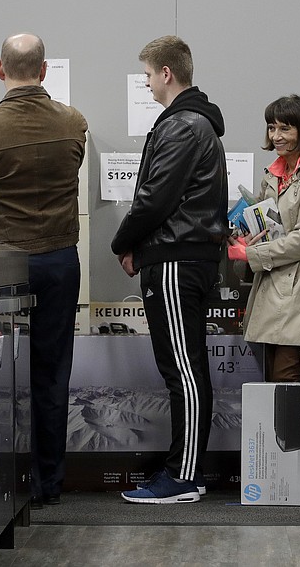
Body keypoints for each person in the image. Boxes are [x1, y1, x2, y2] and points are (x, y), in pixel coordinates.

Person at [0, 33, 87, 509]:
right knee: (52, 372)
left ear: (0, 69)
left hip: (1, 262)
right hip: (58, 259)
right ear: (44, 70)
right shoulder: (73, 122)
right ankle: (49, 484)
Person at [111, 35, 228, 504]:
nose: (145, 83)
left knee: (183, 369)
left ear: (167, 73)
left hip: (176, 260)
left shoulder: (183, 125)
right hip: (181, 256)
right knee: (185, 367)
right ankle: (185, 470)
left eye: (147, 74)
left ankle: (183, 477)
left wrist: (123, 242)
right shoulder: (194, 123)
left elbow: (154, 198)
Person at [228, 96, 300, 383]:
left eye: (285, 129)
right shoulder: (273, 172)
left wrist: (251, 256)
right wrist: (242, 234)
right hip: (273, 279)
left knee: (286, 375)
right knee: (271, 378)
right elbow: (267, 225)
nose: (276, 136)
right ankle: (279, 429)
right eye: (272, 128)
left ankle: (294, 430)